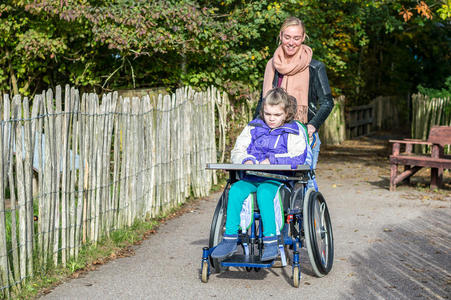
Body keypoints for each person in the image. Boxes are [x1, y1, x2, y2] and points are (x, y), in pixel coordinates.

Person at [211, 88, 312, 261]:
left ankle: (271, 242)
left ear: (286, 113)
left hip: (277, 178)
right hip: (251, 175)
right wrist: (246, 160)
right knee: (235, 190)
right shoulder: (253, 126)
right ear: (262, 111)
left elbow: (299, 156)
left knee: (265, 193)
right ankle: (229, 238)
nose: (271, 118)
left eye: (277, 114)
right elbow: (238, 150)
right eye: (267, 113)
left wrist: (271, 160)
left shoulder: (294, 131)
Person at [258, 16, 334, 174]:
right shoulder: (271, 66)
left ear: (303, 38)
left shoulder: (315, 67)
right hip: (274, 136)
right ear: (280, 36)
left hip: (304, 134)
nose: (291, 42)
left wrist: (312, 126)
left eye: (296, 38)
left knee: (306, 183)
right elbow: (263, 102)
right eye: (287, 37)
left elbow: (327, 102)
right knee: (272, 181)